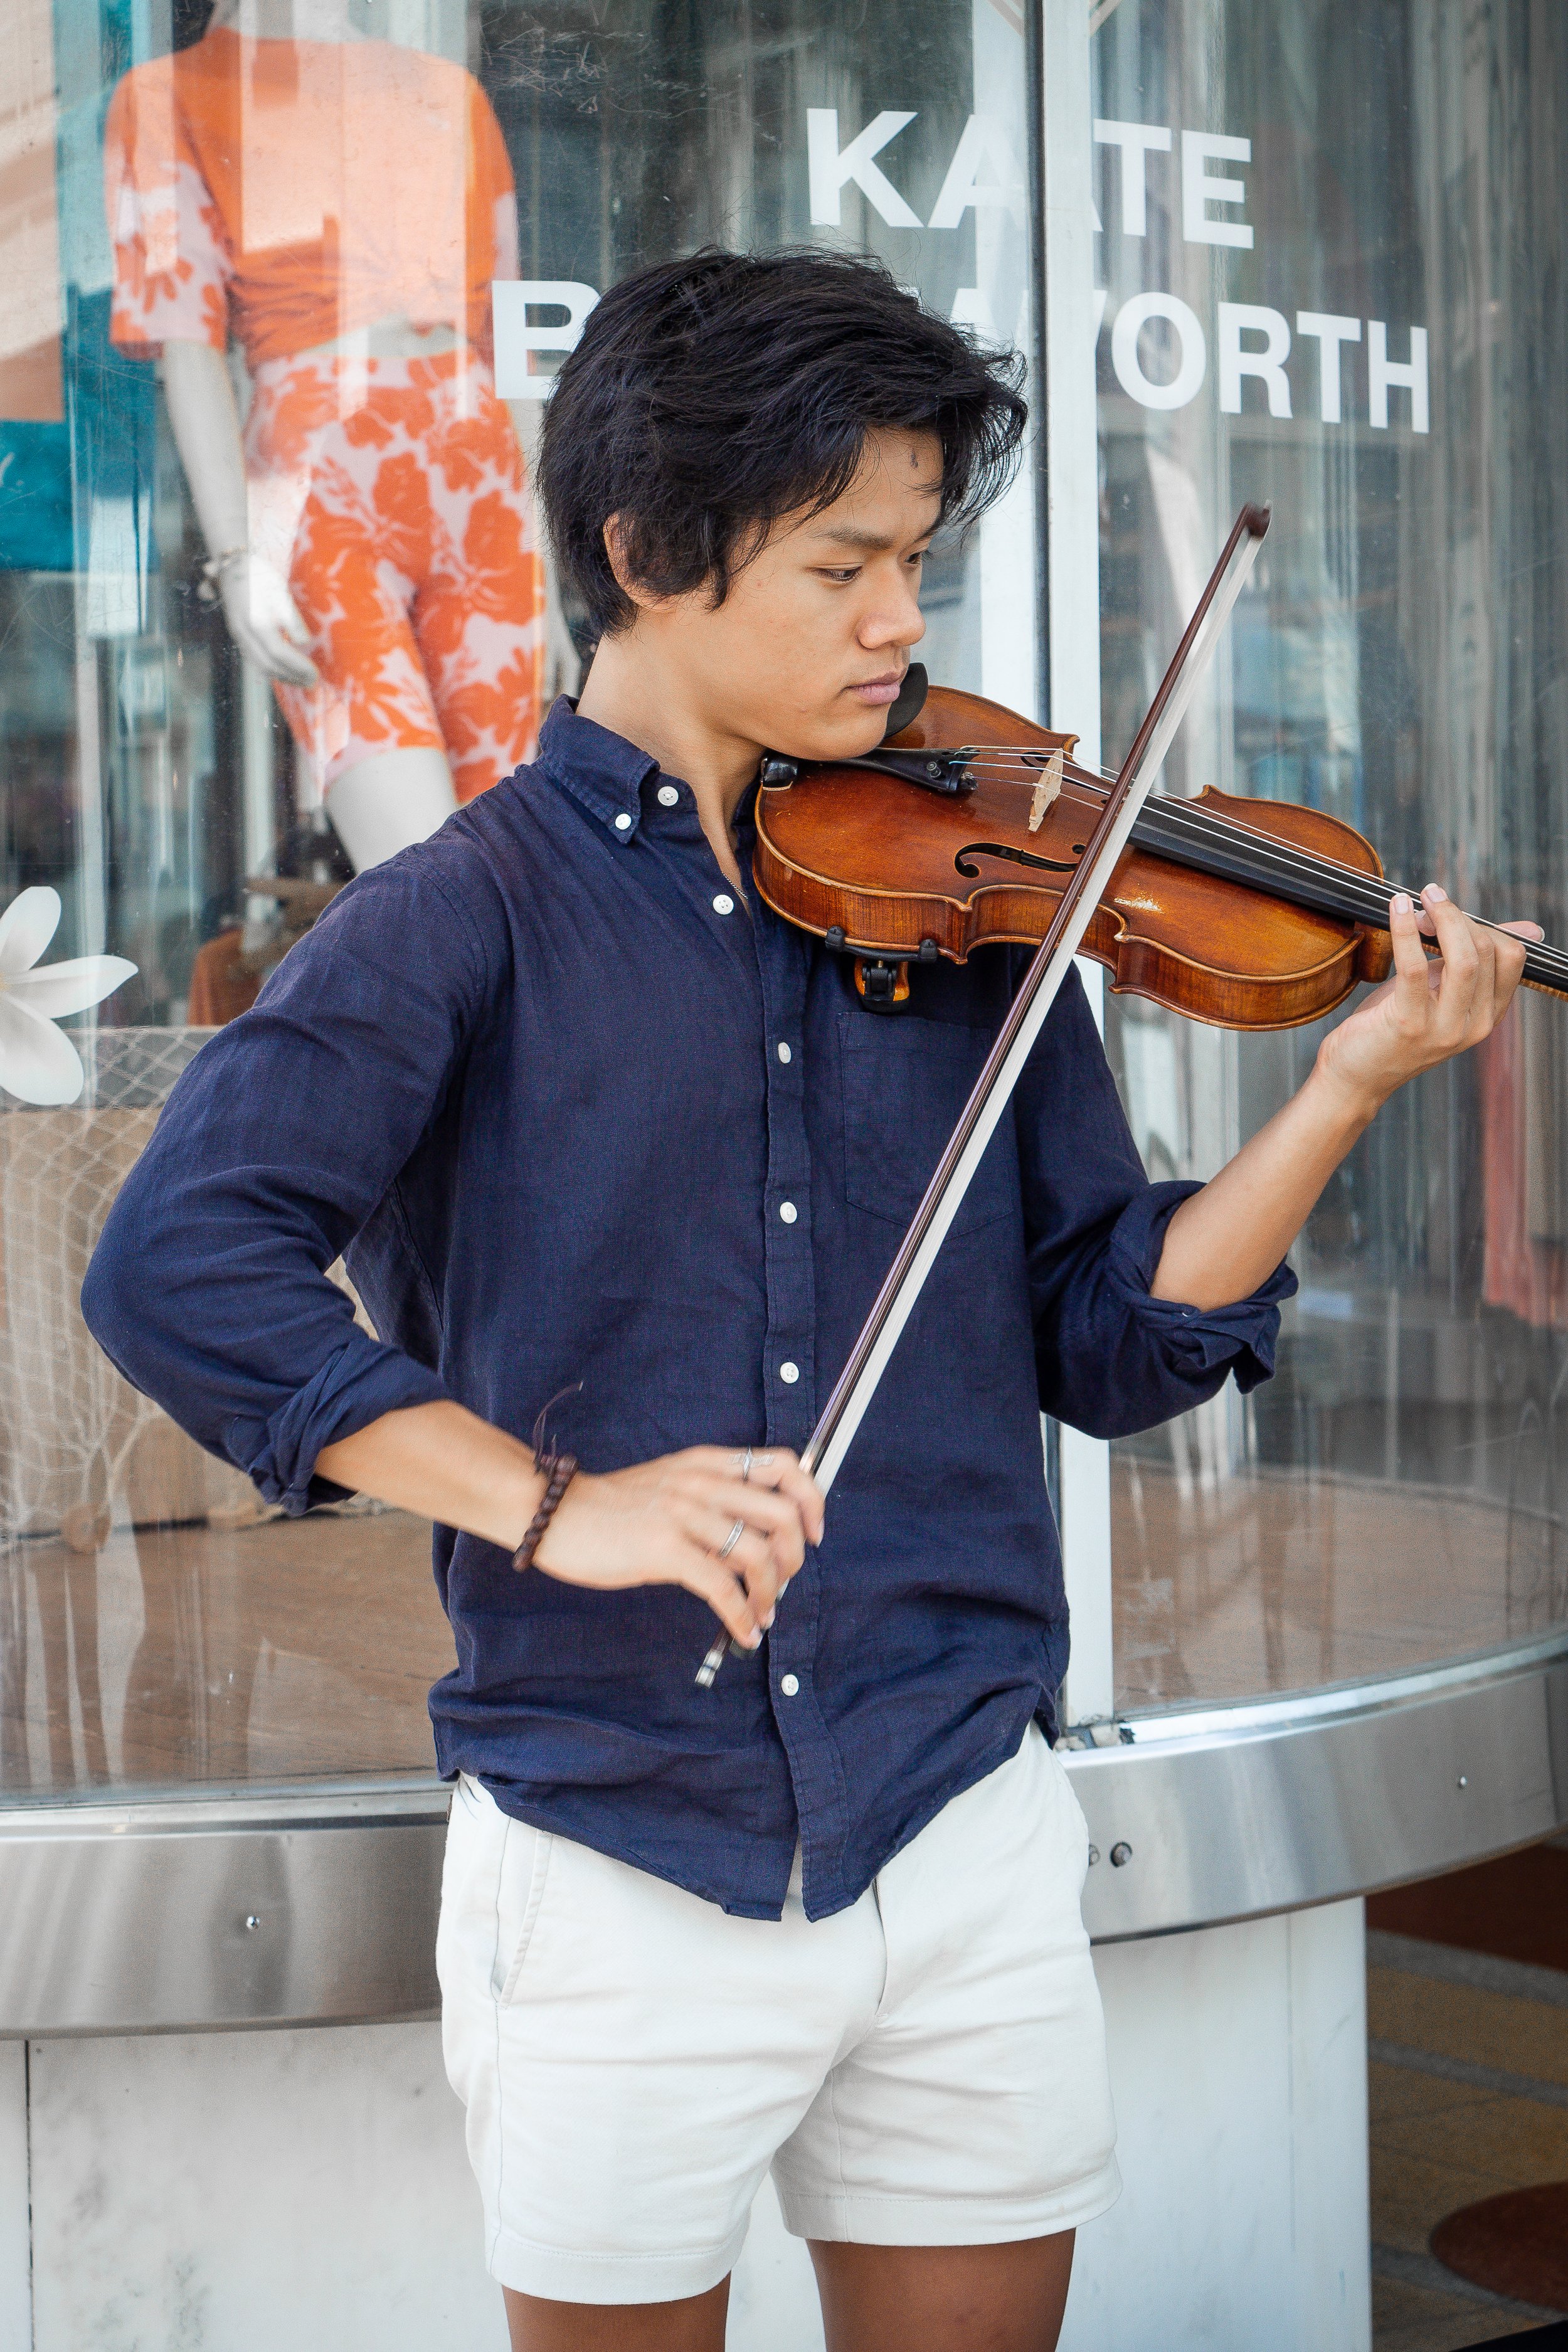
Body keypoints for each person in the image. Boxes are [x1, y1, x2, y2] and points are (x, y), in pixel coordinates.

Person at [81, 249, 1535, 2352]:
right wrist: (562, 1505)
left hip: (962, 1831)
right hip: (616, 1860)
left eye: (917, 560)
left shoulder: (964, 899)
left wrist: (1344, 1087)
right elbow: (179, 1267)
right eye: (845, 562)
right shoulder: (456, 919)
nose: (902, 627)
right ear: (647, 555)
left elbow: (1113, 1338)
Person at [103, 0, 548, 874]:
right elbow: (185, 349)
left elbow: (511, 344)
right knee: (427, 876)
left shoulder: (449, 95)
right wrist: (237, 559)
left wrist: (549, 546)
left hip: (487, 489)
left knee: (524, 874)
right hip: (321, 497)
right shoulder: (170, 96)